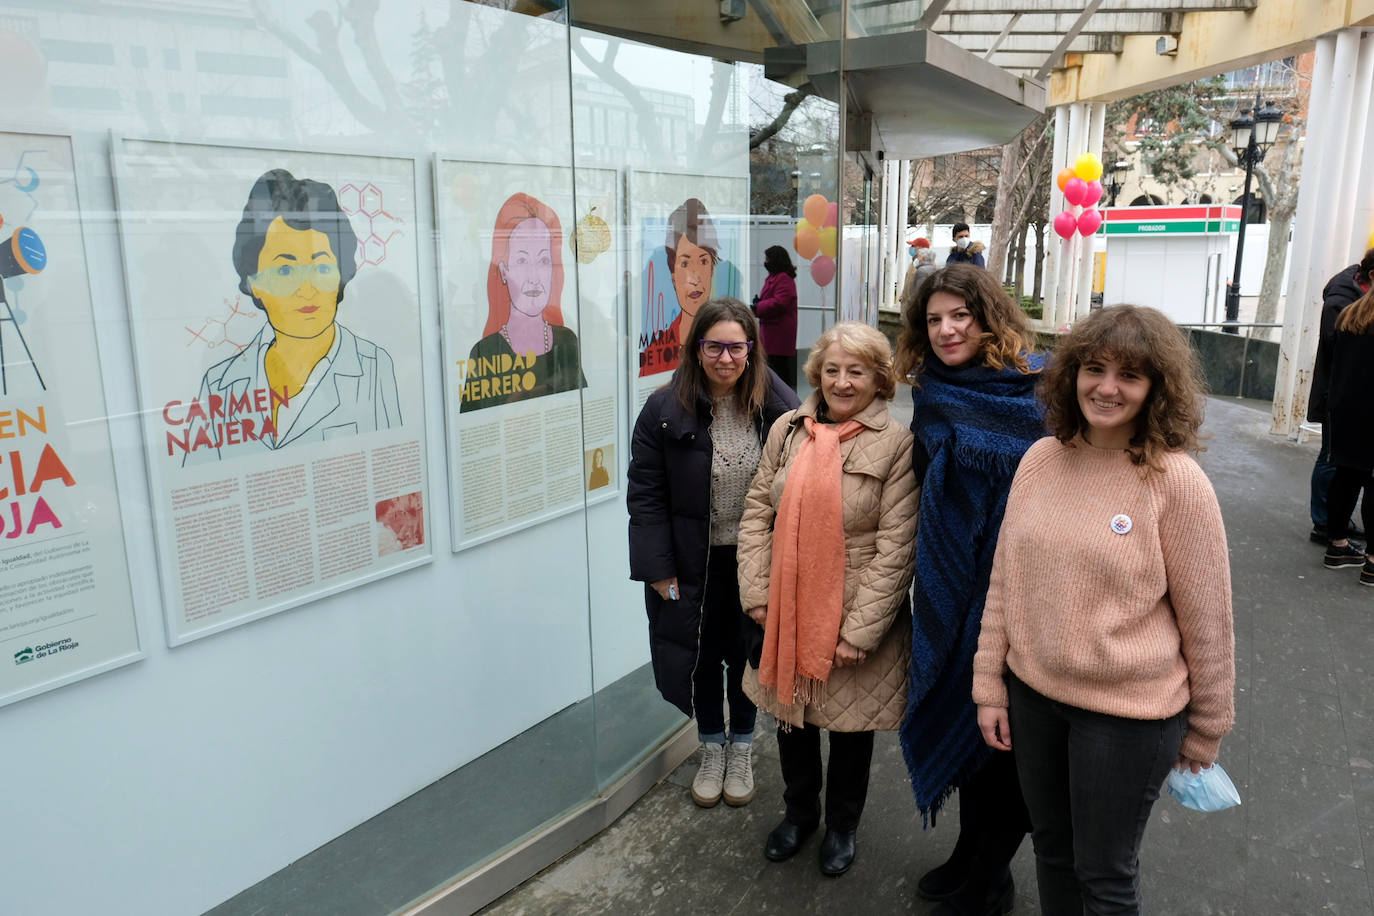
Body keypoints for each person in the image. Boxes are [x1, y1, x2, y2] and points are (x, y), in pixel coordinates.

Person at [973, 305, 1235, 915]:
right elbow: (1005, 582)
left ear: (1156, 389)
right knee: (1053, 854)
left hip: (1127, 719)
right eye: (1094, 368)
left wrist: (1207, 727)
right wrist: (990, 684)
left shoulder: (1177, 482)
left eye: (1130, 375)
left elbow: (1209, 621)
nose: (1107, 387)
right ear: (1072, 374)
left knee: (1105, 875)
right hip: (1034, 699)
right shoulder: (1040, 459)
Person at [737, 321, 918, 877]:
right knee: (791, 721)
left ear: (879, 379)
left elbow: (896, 545)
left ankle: (842, 826)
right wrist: (758, 596)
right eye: (833, 369)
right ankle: (799, 815)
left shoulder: (896, 445)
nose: (842, 382)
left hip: (852, 612)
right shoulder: (789, 430)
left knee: (850, 734)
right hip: (786, 606)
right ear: (818, 372)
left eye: (856, 371)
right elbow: (755, 516)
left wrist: (859, 632)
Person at [894, 264, 1044, 916]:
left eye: (961, 315)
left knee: (1006, 743)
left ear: (988, 317)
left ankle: (992, 875)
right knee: (973, 730)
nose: (948, 329)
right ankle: (968, 854)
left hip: (1020, 591)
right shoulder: (933, 390)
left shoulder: (1037, 392)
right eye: (934, 320)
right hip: (952, 588)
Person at [627, 298, 799, 809]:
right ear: (696, 348)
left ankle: (741, 746)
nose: (726, 358)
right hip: (689, 559)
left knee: (745, 654)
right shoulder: (663, 411)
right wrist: (658, 570)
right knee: (701, 656)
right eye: (714, 346)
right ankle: (711, 748)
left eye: (736, 347)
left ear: (752, 349)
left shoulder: (777, 408)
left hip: (752, 560)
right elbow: (646, 496)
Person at [187, 169, 400, 463]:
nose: (307, 289)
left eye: (322, 268)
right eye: (286, 271)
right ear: (254, 283)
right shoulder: (221, 382)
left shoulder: (374, 368)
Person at [461, 192, 585, 412]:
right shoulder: (486, 352)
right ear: (504, 270)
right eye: (521, 261)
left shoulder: (566, 342)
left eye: (544, 260)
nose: (534, 277)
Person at [1308, 250, 1373, 545]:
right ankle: (1327, 526)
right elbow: (1338, 357)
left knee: (1343, 471)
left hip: (1344, 401)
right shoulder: (1343, 302)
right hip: (1345, 401)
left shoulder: (1348, 307)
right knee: (1336, 465)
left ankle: (1335, 534)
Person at [1321, 283, 1374, 585]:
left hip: (1345, 409)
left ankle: (1337, 546)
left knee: (1346, 475)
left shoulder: (1350, 315)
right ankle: (1373, 564)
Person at [640, 198, 719, 377]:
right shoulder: (656, 353)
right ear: (673, 273)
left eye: (703, 261)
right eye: (684, 263)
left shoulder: (729, 348)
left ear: (712, 269)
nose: (695, 278)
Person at [753, 245, 799, 388]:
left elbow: (780, 303)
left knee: (779, 370)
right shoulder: (774, 277)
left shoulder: (783, 278)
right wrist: (759, 303)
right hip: (772, 330)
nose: (766, 262)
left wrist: (758, 306)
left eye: (768, 259)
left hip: (779, 333)